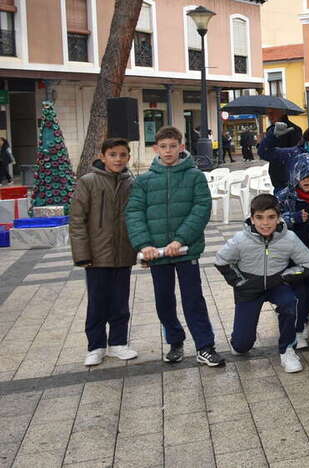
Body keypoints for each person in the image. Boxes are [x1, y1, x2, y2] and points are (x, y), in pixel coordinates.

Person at [125, 126, 224, 367]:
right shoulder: (145, 180)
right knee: (164, 301)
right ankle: (175, 341)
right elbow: (134, 212)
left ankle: (204, 346)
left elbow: (201, 209)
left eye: (173, 146)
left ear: (181, 147)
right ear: (155, 149)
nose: (168, 151)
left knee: (193, 299)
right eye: (163, 147)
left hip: (184, 250)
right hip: (157, 254)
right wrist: (145, 244)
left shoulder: (195, 176)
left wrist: (180, 239)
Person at [215, 194, 309, 373]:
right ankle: (240, 341)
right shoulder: (240, 239)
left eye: (271, 217)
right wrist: (239, 282)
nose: (265, 223)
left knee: (290, 302)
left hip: (277, 284)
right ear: (252, 219)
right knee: (241, 346)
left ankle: (287, 349)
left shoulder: (289, 238)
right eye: (259, 218)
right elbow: (221, 260)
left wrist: (286, 276)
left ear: (278, 217)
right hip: (249, 289)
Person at [70, 138, 138, 367]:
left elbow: (138, 217)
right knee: (97, 301)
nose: (118, 159)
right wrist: (82, 254)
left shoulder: (132, 182)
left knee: (120, 301)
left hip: (123, 253)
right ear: (103, 157)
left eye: (122, 155)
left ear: (128, 157)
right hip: (96, 256)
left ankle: (118, 342)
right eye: (113, 155)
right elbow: (77, 221)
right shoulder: (87, 182)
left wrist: (140, 247)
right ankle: (96, 345)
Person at [275, 154, 309, 348]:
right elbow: (271, 223)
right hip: (292, 256)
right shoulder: (284, 196)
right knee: (299, 291)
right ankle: (297, 329)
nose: (306, 180)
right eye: (302, 175)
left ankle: (304, 318)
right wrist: (293, 218)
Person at [263, 111, 303, 189]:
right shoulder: (270, 130)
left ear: (282, 113)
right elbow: (265, 153)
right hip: (276, 174)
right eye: (268, 113)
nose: (269, 116)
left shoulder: (294, 129)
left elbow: (296, 152)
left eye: (272, 113)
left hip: (289, 174)